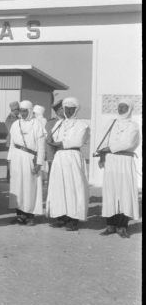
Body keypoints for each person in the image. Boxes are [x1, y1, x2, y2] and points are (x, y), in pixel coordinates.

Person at [97, 100, 140, 238]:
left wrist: (110, 148)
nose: (121, 109)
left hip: (125, 161)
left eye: (124, 107)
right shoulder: (111, 122)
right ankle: (110, 225)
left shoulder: (134, 126)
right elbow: (104, 140)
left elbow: (128, 142)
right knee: (111, 191)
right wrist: (102, 156)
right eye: (120, 106)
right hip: (111, 161)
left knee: (124, 192)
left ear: (129, 108)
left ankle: (122, 226)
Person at [46, 97, 89, 231]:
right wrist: (57, 142)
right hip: (59, 157)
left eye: (71, 109)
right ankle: (61, 216)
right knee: (59, 186)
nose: (69, 111)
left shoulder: (82, 125)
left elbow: (78, 140)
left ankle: (73, 219)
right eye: (66, 109)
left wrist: (61, 142)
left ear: (76, 110)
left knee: (73, 186)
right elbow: (53, 138)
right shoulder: (59, 124)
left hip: (72, 157)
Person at [7, 100, 46, 225]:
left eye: (25, 111)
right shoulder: (15, 124)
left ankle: (30, 216)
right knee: (17, 186)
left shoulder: (37, 125)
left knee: (30, 187)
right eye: (21, 111)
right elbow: (12, 144)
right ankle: (19, 214)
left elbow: (41, 146)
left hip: (30, 158)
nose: (22, 113)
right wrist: (9, 160)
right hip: (16, 157)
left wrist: (39, 163)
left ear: (30, 111)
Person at [45, 100, 64, 176]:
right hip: (54, 155)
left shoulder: (68, 121)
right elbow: (48, 141)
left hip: (66, 155)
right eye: (63, 108)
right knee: (53, 176)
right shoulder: (51, 123)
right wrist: (50, 157)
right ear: (58, 111)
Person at [4, 101, 20, 181]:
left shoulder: (16, 117)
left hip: (14, 141)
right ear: (15, 110)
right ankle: (9, 177)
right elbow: (11, 130)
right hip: (11, 141)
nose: (19, 111)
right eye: (18, 110)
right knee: (10, 159)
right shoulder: (10, 118)